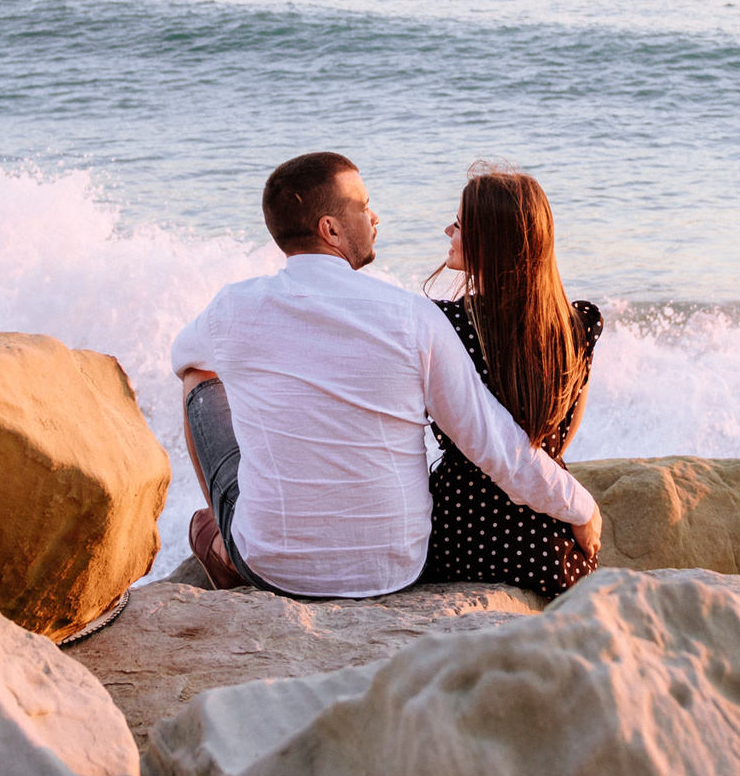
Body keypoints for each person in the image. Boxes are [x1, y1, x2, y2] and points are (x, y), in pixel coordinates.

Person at [170, 150, 602, 597]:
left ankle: (225, 545)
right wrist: (579, 506)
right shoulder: (414, 317)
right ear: (330, 229)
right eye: (363, 206)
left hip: (274, 569)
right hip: (396, 568)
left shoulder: (234, 307)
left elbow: (182, 358)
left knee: (198, 377)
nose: (374, 216)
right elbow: (494, 442)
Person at [419, 166, 604, 598]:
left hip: (460, 534)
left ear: (489, 242)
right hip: (550, 544)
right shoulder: (577, 327)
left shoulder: (446, 325)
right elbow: (561, 437)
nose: (448, 231)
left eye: (459, 224)